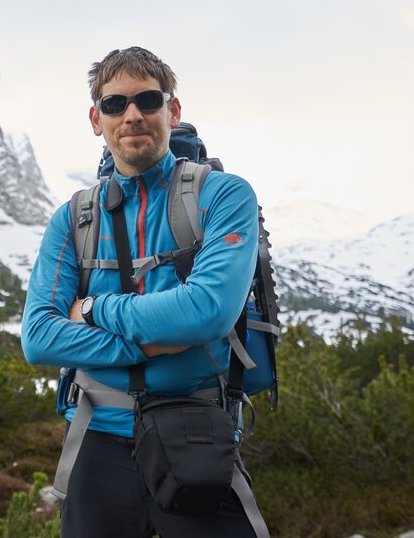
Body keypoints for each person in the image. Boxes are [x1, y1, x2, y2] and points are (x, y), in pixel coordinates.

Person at [21, 47, 267, 537]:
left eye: (148, 100)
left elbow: (208, 312)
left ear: (172, 111)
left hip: (196, 432)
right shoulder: (73, 218)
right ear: (97, 119)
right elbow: (39, 338)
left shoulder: (225, 195)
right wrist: (154, 342)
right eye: (115, 105)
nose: (132, 115)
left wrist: (92, 308)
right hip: (96, 440)